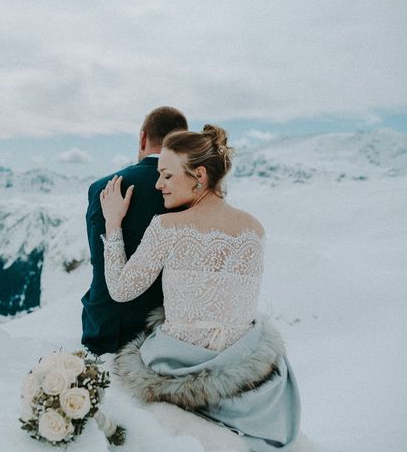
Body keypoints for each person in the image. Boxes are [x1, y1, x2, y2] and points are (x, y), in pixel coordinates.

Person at [99, 125, 301, 451]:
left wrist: (113, 223)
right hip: (250, 379)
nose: (158, 184)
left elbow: (121, 290)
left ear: (200, 176)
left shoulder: (168, 227)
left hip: (181, 372)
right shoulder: (254, 228)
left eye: (166, 175)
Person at [81, 106, 188, 355]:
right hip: (172, 332)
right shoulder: (193, 193)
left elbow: (99, 261)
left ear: (143, 138)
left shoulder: (103, 188)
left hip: (110, 332)